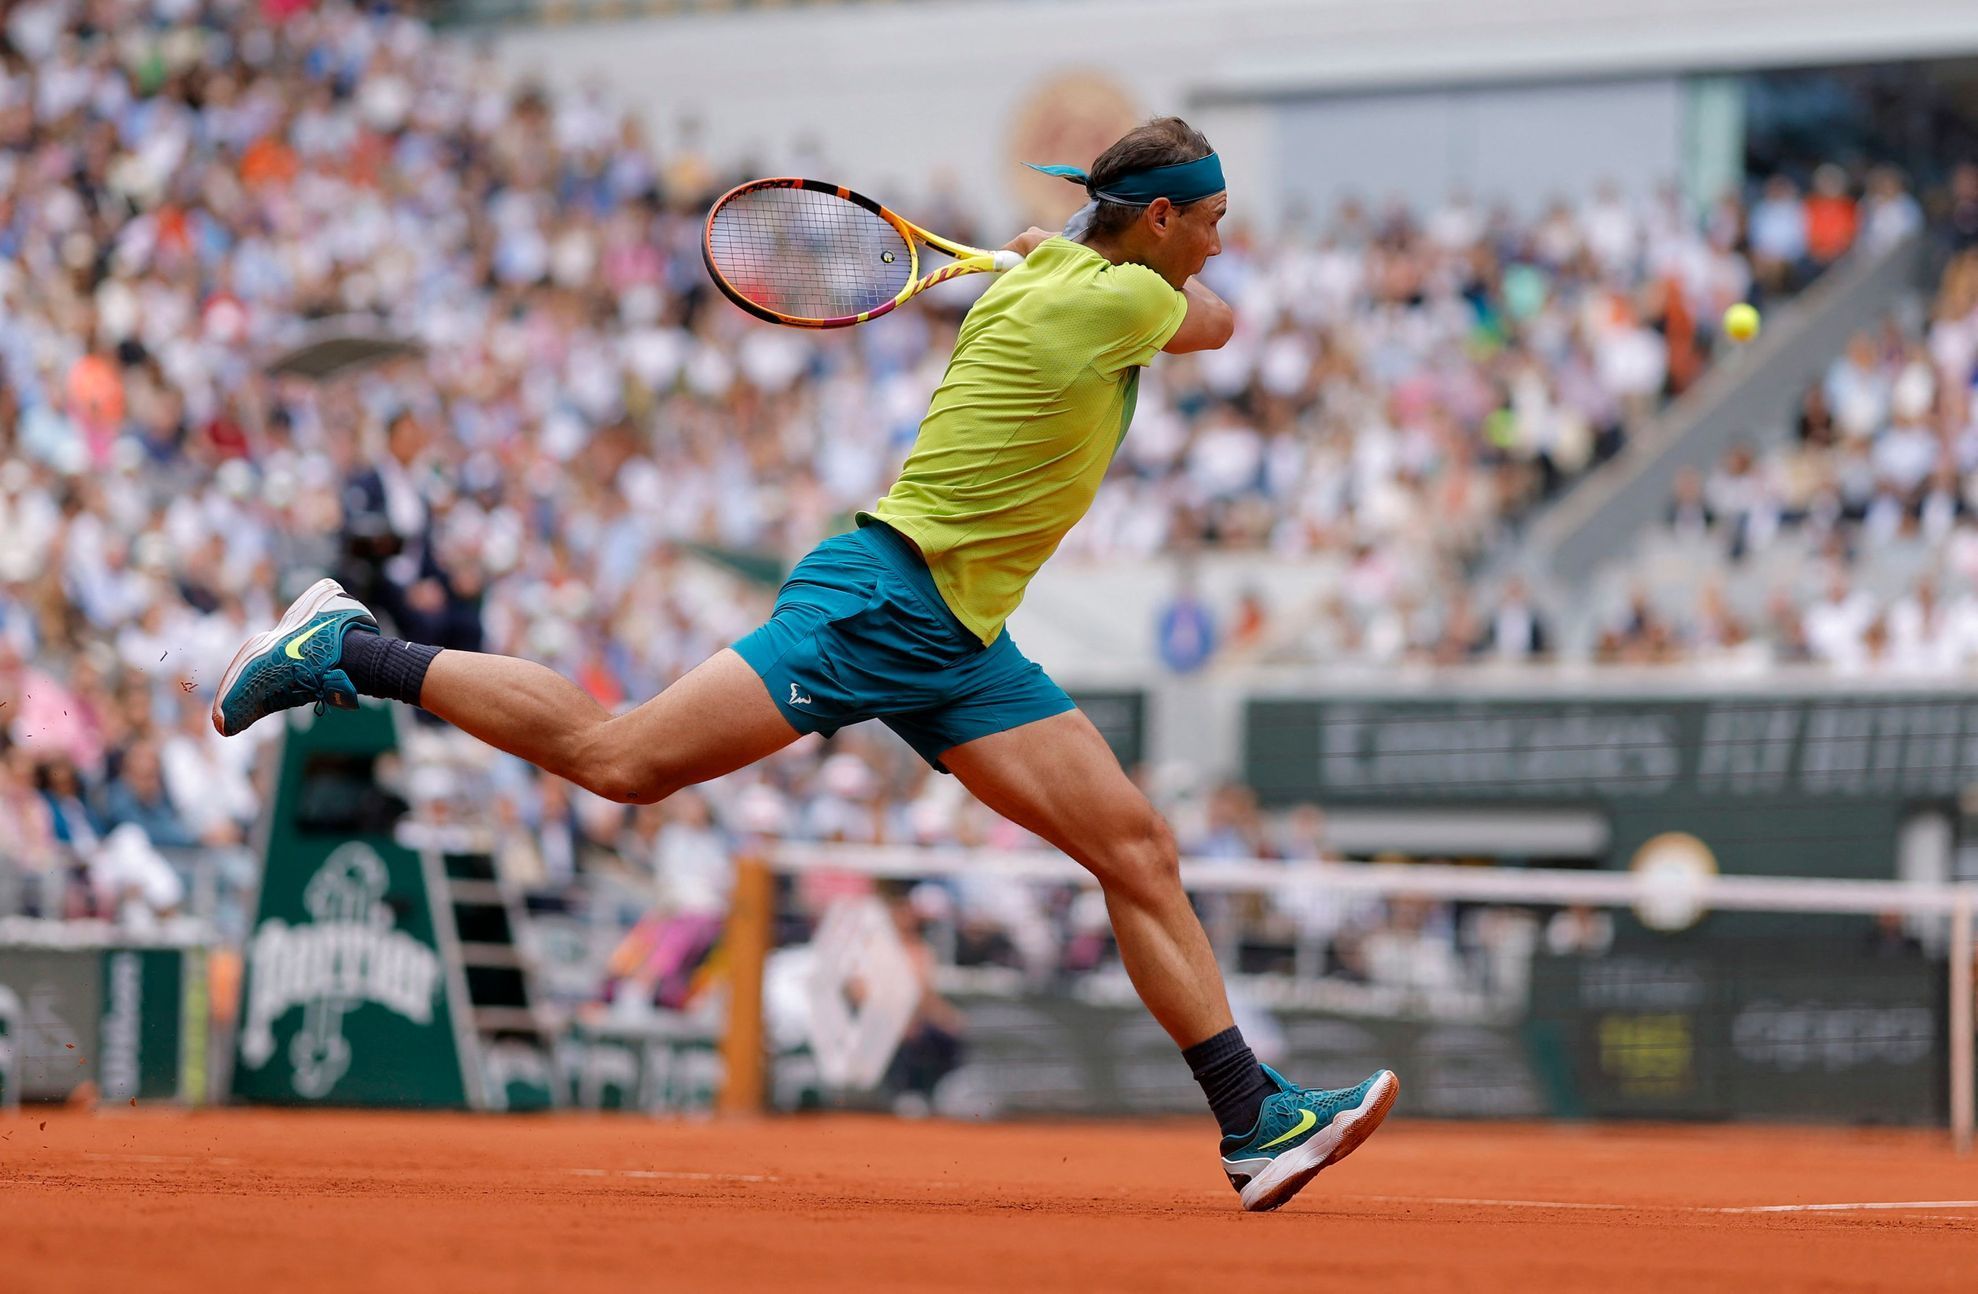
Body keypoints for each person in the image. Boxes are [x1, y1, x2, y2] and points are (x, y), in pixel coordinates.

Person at [211, 117, 1396, 1212]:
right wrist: (1067, 263)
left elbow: (1116, 277)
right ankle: (346, 645)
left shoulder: (1069, 282)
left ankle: (1253, 1120)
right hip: (879, 600)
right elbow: (1221, 324)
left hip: (962, 637)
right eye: (1212, 221)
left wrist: (1054, 254)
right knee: (621, 760)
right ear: (1157, 224)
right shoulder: (1103, 301)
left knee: (1135, 846)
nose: (1222, 240)